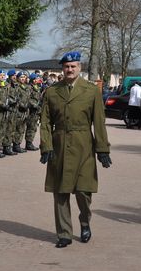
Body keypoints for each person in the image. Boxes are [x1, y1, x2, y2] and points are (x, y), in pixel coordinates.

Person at [39, 51, 111, 248]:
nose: (69, 70)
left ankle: (85, 221)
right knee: (60, 192)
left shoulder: (91, 91)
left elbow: (99, 122)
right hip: (60, 144)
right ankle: (64, 233)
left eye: (73, 66)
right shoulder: (52, 92)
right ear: (62, 69)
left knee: (83, 191)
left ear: (80, 68)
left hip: (84, 146)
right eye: (66, 66)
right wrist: (46, 146)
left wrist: (103, 149)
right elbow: (45, 121)